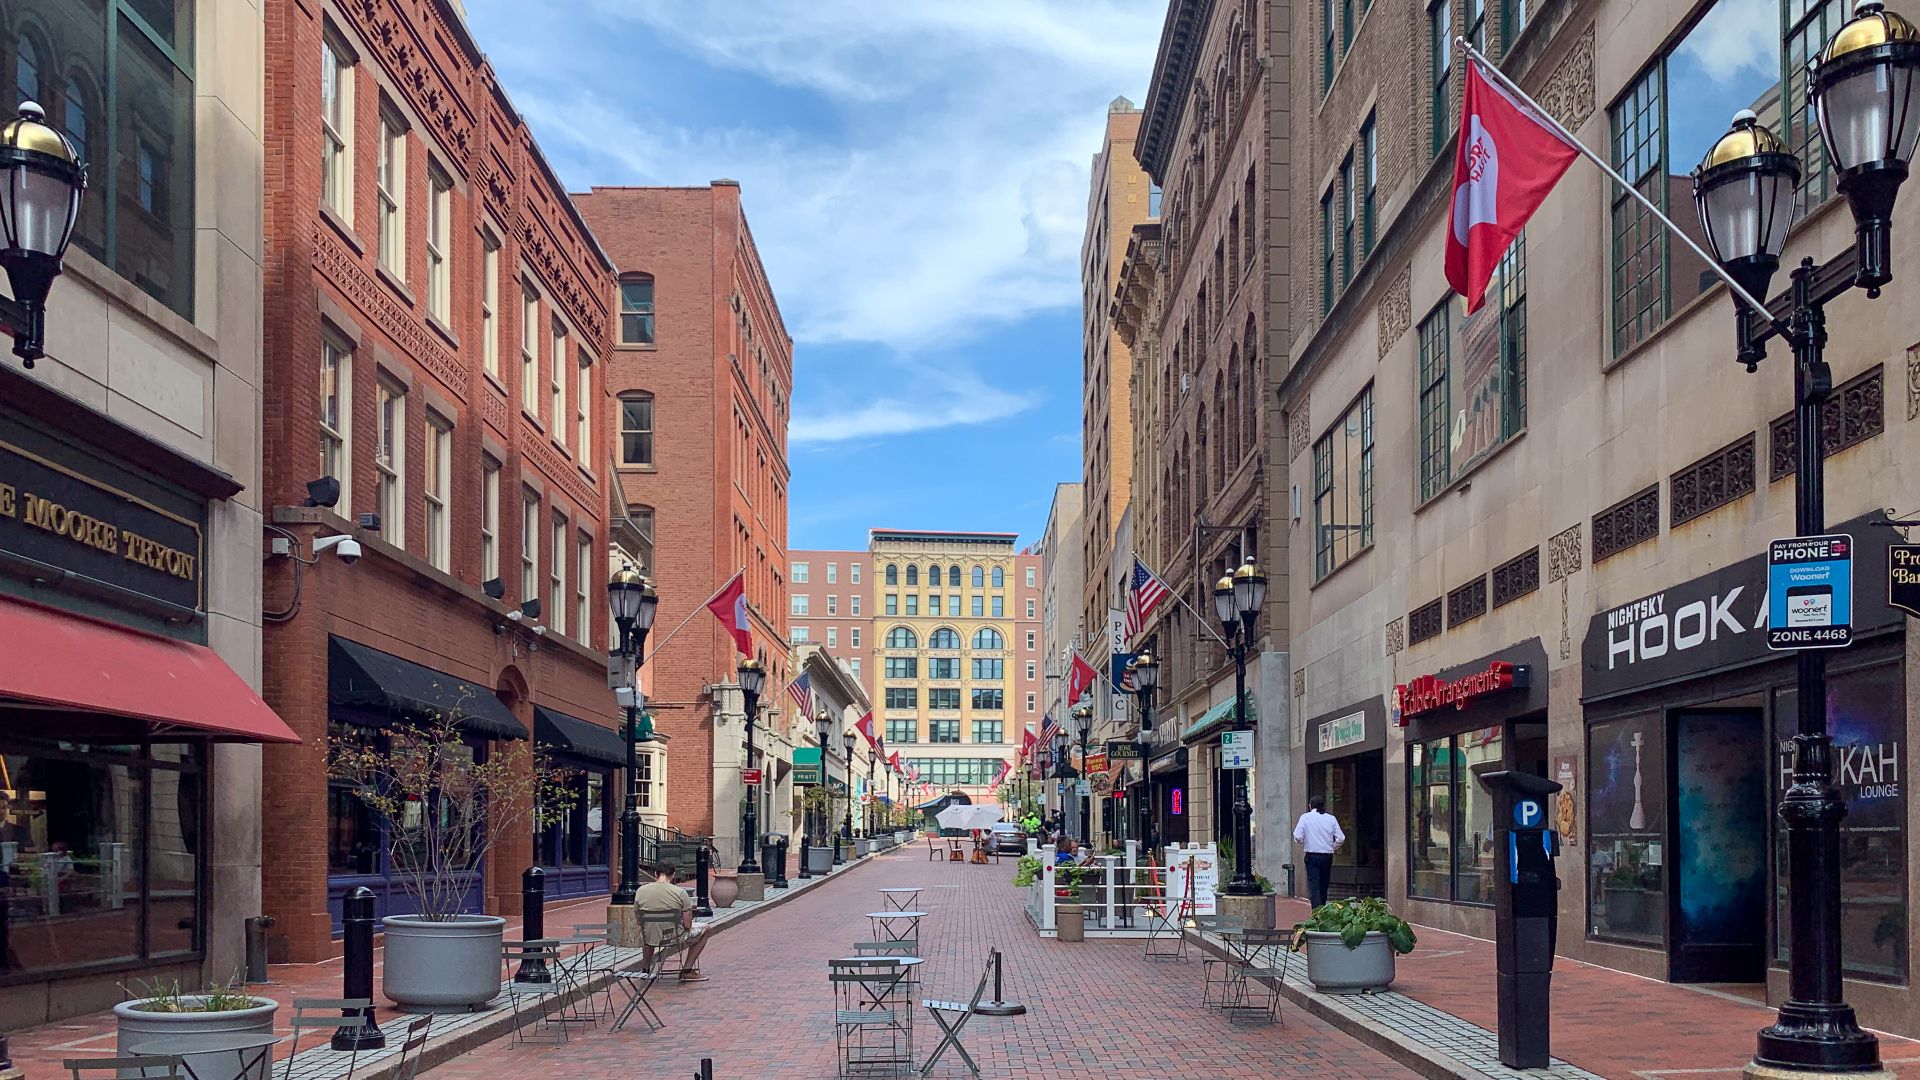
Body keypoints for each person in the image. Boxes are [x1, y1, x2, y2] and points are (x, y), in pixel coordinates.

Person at [634, 863, 709, 982]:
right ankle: (687, 970)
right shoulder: (680, 892)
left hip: (649, 936)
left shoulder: (640, 891)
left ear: (655, 874)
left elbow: (639, 920)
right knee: (706, 928)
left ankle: (646, 969)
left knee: (649, 931)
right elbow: (687, 925)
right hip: (674, 936)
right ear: (673, 875)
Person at [1292, 796, 1345, 910]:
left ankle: (1317, 911)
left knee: (1314, 885)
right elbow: (1340, 838)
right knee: (1324, 884)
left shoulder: (1305, 818)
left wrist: (1305, 841)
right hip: (1327, 855)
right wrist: (1332, 847)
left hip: (1312, 854)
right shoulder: (1331, 818)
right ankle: (1323, 908)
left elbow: (1297, 836)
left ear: (1310, 806)